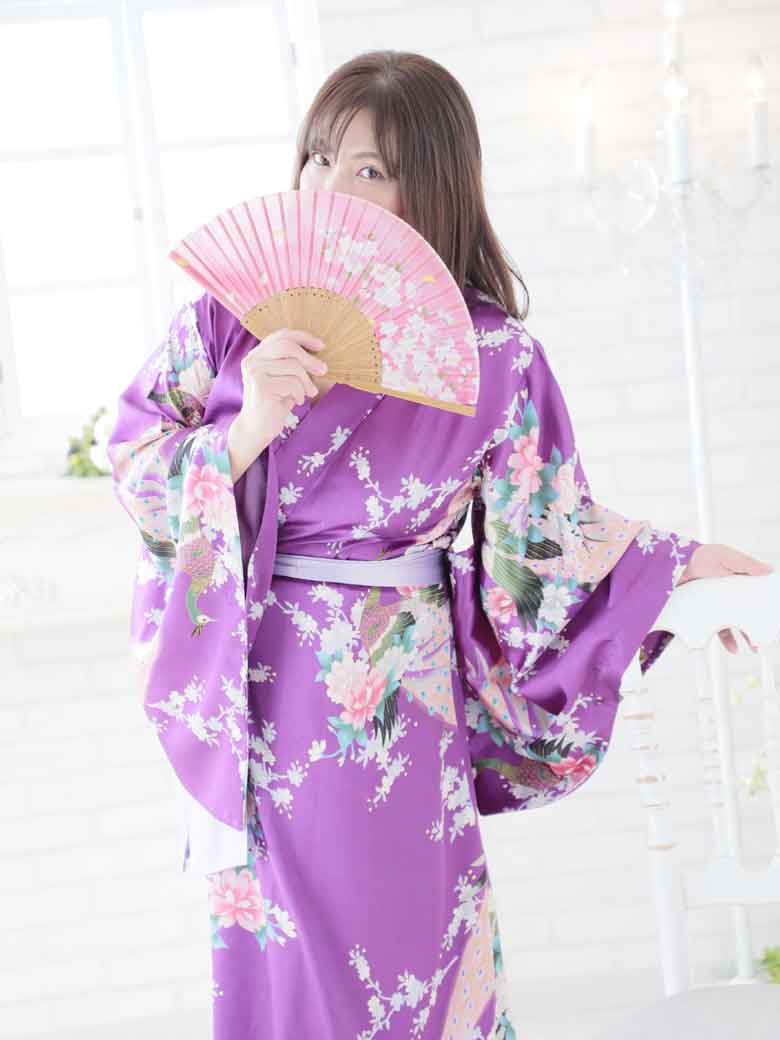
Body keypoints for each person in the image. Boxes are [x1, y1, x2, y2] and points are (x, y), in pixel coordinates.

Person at [107, 49, 772, 1040]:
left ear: (433, 183)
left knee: (418, 961)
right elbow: (134, 462)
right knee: (291, 973)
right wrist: (242, 433)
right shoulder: (229, 319)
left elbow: (542, 542)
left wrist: (670, 564)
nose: (329, 187)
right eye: (318, 157)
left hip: (398, 714)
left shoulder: (496, 355)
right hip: (265, 700)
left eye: (370, 168)